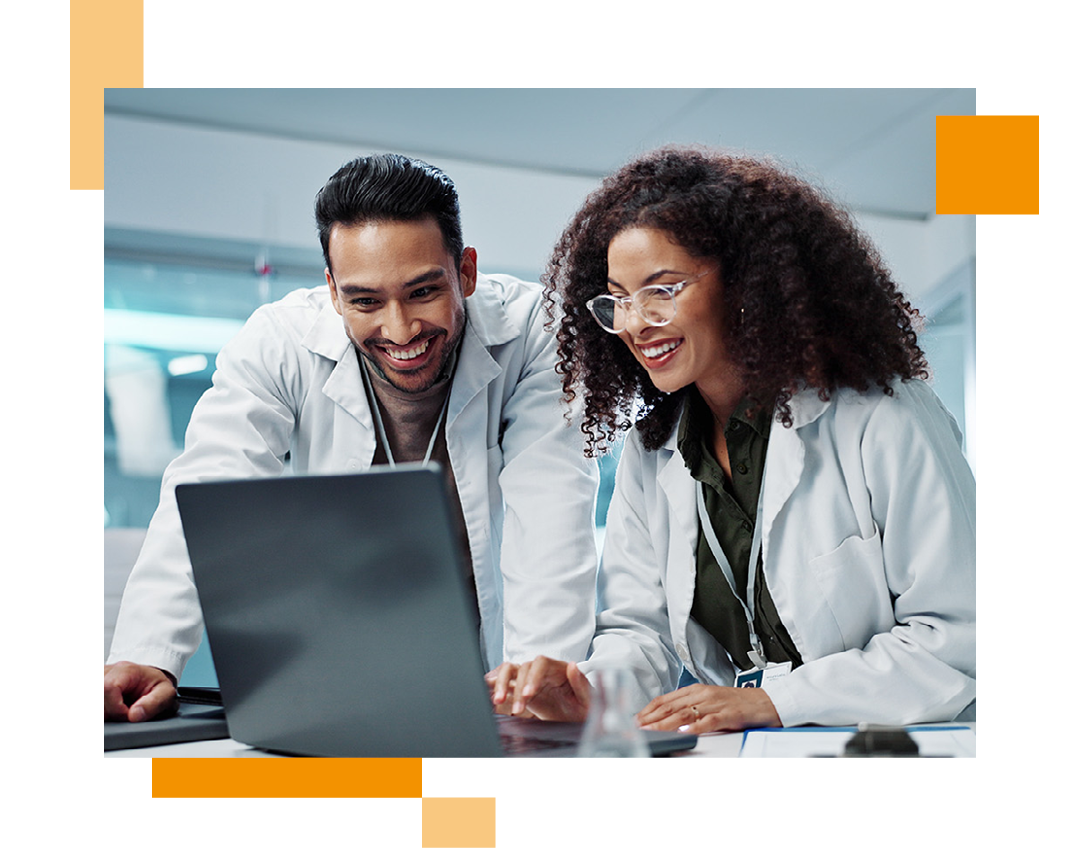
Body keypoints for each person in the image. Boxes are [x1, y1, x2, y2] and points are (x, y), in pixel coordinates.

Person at [488, 146, 975, 733]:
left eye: (662, 290)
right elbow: (640, 634)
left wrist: (776, 701)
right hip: (753, 755)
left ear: (746, 282)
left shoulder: (882, 418)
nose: (636, 323)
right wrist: (588, 694)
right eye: (618, 299)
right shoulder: (655, 451)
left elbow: (958, 638)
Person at [105, 153, 599, 722]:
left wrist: (538, 679)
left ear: (465, 271)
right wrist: (148, 654)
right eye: (365, 301)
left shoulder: (533, 334)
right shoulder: (280, 341)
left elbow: (552, 506)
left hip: (490, 659)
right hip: (342, 674)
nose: (400, 329)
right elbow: (207, 490)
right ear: (334, 293)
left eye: (422, 292)